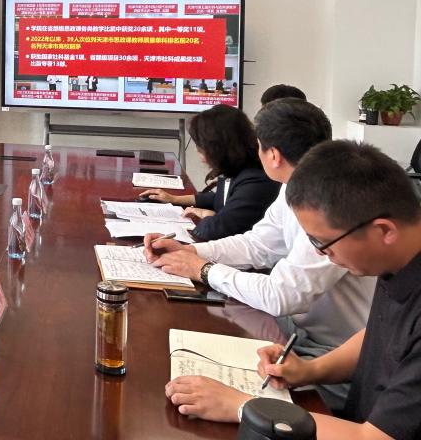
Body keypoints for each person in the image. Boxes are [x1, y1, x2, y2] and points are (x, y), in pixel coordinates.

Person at [165, 141, 421, 440]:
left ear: (384, 231)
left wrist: (242, 406)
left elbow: (373, 437)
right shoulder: (398, 259)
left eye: (321, 242)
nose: (320, 254)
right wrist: (310, 370)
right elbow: (378, 335)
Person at [143, 99, 375, 409]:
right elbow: (258, 245)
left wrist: (204, 269)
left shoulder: (332, 203)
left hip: (335, 354)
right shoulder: (294, 186)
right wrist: (191, 250)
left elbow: (282, 295)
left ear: (273, 155)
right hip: (296, 331)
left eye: (259, 147)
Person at [140, 105, 280, 241]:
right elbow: (220, 198)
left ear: (217, 148)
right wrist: (174, 199)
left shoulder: (256, 180)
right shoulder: (238, 167)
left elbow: (214, 230)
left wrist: (207, 215)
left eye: (201, 147)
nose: (197, 151)